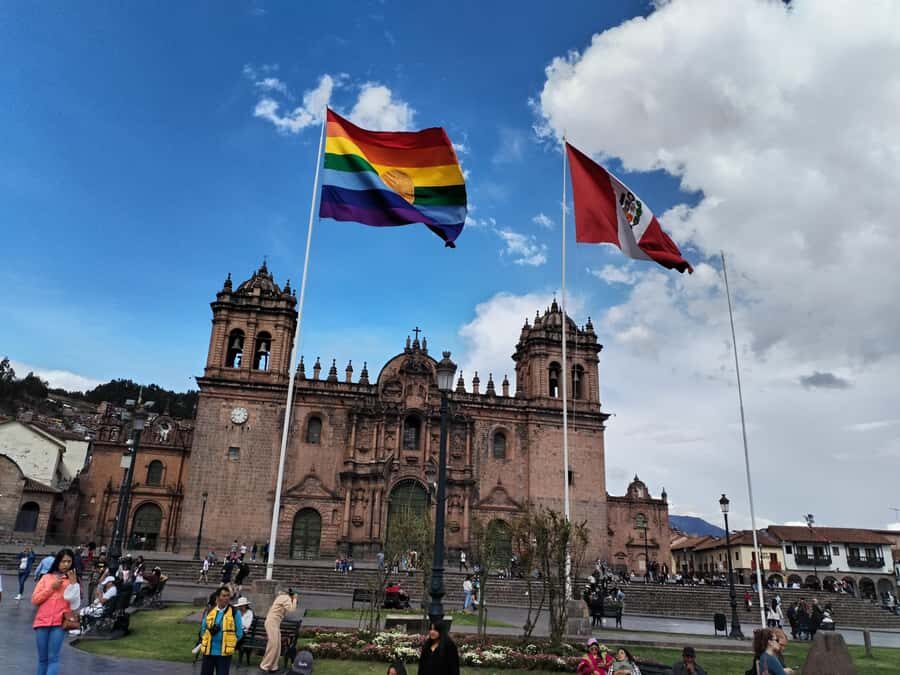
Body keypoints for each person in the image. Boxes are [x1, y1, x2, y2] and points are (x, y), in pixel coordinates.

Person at [32, 548, 81, 675]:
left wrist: (74, 585)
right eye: (63, 561)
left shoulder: (73, 580)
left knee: (53, 658)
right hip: (42, 622)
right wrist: (51, 588)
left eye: (69, 562)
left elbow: (75, 605)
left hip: (59, 624)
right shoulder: (46, 578)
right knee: (42, 660)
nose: (66, 564)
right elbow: (35, 600)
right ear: (57, 562)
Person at [199, 585, 243, 675]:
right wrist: (205, 639)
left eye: (228, 596)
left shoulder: (235, 612)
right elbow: (203, 630)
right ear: (218, 597)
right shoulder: (210, 611)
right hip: (209, 652)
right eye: (223, 596)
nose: (226, 598)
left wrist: (230, 642)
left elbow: (239, 633)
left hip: (224, 654)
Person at [259, 587, 298, 672]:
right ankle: (265, 666)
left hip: (274, 623)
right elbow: (292, 609)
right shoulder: (286, 598)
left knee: (277, 645)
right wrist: (294, 599)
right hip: (272, 622)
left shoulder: (282, 597)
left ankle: (273, 666)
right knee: (273, 645)